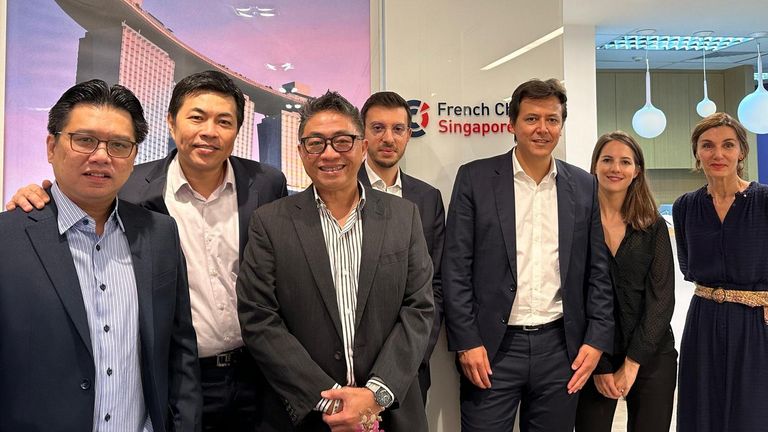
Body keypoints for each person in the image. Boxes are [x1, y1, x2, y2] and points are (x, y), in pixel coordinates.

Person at [5, 70, 288, 432]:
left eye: (224, 121)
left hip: (255, 373)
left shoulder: (266, 183)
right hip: (177, 375)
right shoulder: (131, 185)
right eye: (197, 117)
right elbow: (79, 197)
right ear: (171, 122)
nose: (209, 131)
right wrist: (36, 202)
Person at [0, 79, 201, 431]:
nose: (101, 156)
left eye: (119, 145)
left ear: (134, 157)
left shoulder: (160, 234)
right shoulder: (8, 239)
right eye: (84, 140)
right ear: (51, 146)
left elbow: (180, 349)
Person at [236, 90, 434, 431]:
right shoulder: (269, 222)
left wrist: (375, 395)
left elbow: (419, 308)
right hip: (307, 416)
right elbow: (259, 318)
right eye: (315, 143)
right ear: (301, 151)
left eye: (342, 141)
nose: (329, 154)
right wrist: (332, 401)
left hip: (390, 412)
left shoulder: (404, 217)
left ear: (362, 146)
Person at [443, 78, 613, 432]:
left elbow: (598, 271)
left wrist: (596, 339)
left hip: (560, 349)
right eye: (532, 119)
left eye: (552, 120)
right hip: (491, 350)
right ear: (512, 124)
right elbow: (455, 267)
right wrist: (467, 341)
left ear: (561, 126)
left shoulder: (584, 185)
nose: (542, 129)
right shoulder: (475, 178)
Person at [574, 131, 677, 432]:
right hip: (592, 354)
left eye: (625, 162)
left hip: (651, 353)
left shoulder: (652, 226)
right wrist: (601, 365)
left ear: (637, 171)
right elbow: (574, 297)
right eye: (607, 160)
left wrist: (632, 363)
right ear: (594, 166)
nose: (615, 168)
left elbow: (661, 300)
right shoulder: (577, 224)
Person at [673, 112, 768, 432]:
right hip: (703, 322)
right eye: (707, 145)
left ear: (742, 152)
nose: (718, 154)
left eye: (728, 145)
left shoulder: (764, 201)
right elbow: (688, 264)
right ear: (697, 153)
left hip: (757, 324)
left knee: (753, 413)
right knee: (703, 411)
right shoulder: (685, 206)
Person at [357, 90, 445, 403]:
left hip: (410, 363)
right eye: (377, 128)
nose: (388, 138)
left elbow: (435, 285)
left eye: (397, 129)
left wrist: (416, 353)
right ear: (363, 134)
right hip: (352, 364)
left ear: (409, 134)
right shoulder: (342, 191)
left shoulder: (428, 198)